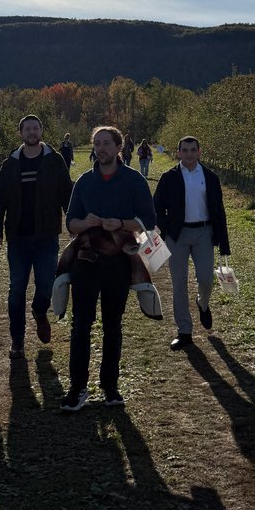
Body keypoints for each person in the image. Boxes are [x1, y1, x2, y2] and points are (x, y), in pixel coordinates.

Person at [61, 125, 155, 411]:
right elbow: (71, 224)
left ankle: (110, 387)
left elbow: (148, 223)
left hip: (118, 262)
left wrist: (123, 224)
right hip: (87, 261)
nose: (101, 148)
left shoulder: (134, 181)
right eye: (97, 143)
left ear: (118, 148)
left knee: (113, 324)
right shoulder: (84, 183)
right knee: (81, 325)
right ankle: (77, 388)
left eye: (106, 143)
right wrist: (86, 223)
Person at [0, 114, 73, 359]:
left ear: (41, 131)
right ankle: (17, 341)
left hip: (46, 236)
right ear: (21, 134)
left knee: (46, 285)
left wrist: (73, 221)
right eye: (27, 129)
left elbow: (65, 193)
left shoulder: (54, 161)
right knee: (16, 289)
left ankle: (39, 312)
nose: (31, 132)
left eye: (35, 128)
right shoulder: (11, 164)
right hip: (18, 238)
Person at [153, 136, 230, 351]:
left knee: (206, 279)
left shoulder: (210, 177)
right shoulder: (169, 177)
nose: (188, 154)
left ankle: (202, 303)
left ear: (199, 152)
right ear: (178, 153)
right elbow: (157, 207)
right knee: (179, 283)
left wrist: (223, 242)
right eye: (184, 150)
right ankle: (184, 331)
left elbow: (219, 210)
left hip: (204, 232)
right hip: (177, 236)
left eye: (192, 150)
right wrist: (167, 231)